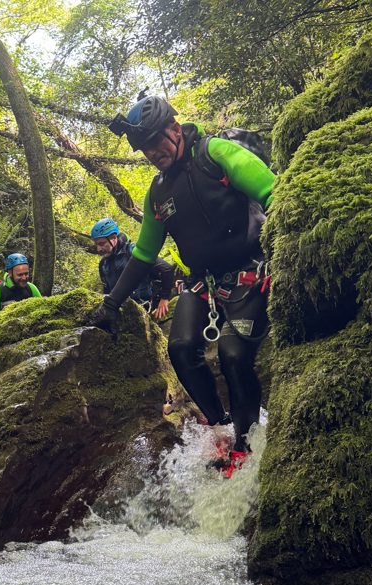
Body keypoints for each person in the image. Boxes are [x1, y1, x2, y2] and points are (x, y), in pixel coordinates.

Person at [92, 93, 275, 476]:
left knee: (233, 353)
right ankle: (222, 425)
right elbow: (143, 254)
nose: (152, 152)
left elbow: (272, 192)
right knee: (180, 347)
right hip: (204, 283)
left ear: (175, 129)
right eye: (144, 148)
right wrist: (111, 303)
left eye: (157, 141)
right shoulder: (158, 194)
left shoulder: (216, 154)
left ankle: (246, 444)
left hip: (251, 269)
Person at [91, 217, 175, 318]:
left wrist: (164, 298)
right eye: (96, 244)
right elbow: (107, 292)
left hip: (145, 309)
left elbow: (167, 269)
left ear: (113, 238)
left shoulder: (134, 252)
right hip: (121, 314)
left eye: (101, 244)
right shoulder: (103, 265)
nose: (98, 249)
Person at [0, 253, 42, 322]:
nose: (24, 278)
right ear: (10, 273)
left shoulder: (31, 288)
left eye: (26, 274)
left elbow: (42, 312)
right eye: (20, 275)